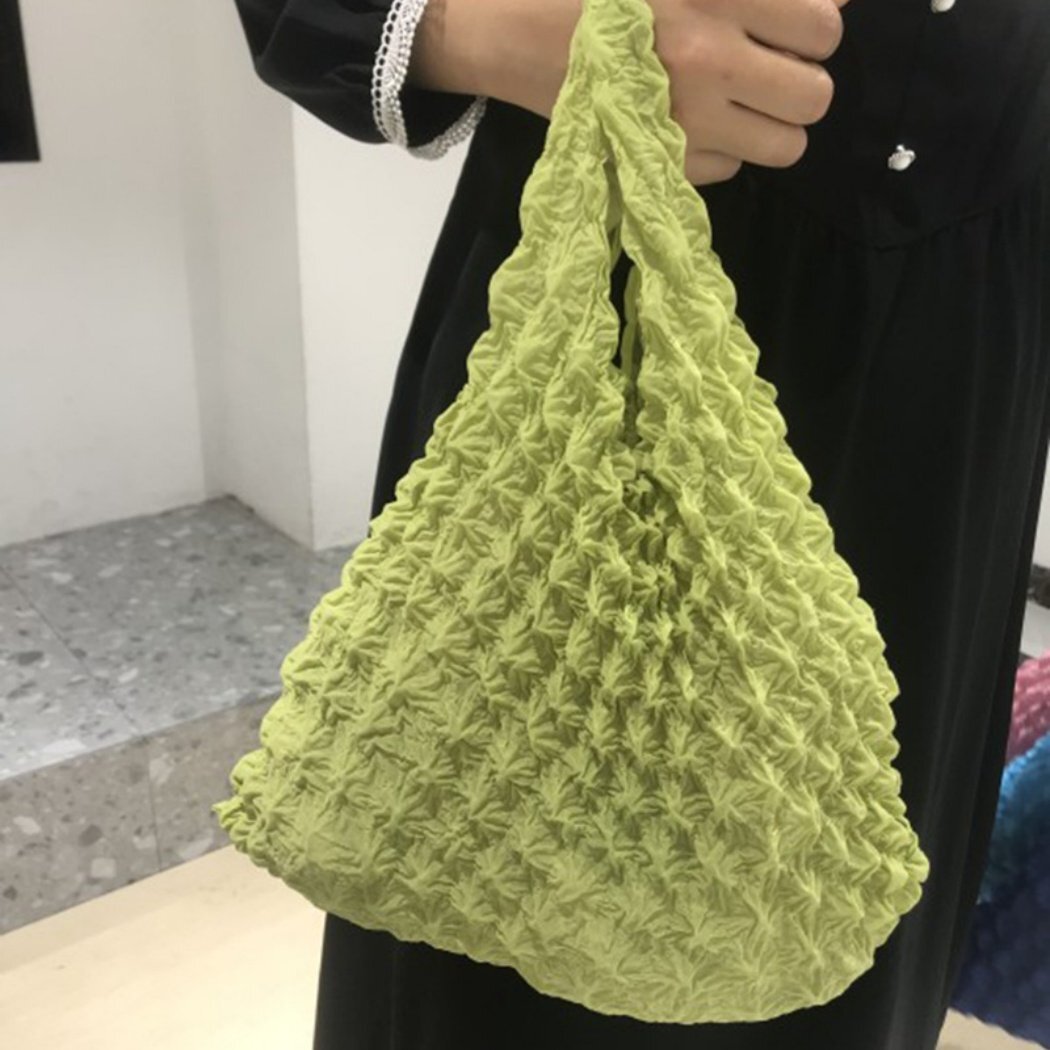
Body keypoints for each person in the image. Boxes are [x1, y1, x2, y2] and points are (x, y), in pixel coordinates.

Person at [228, 0, 1050, 1047]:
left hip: (977, 321)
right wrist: (489, 27)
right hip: (623, 288)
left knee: (864, 926)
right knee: (512, 911)